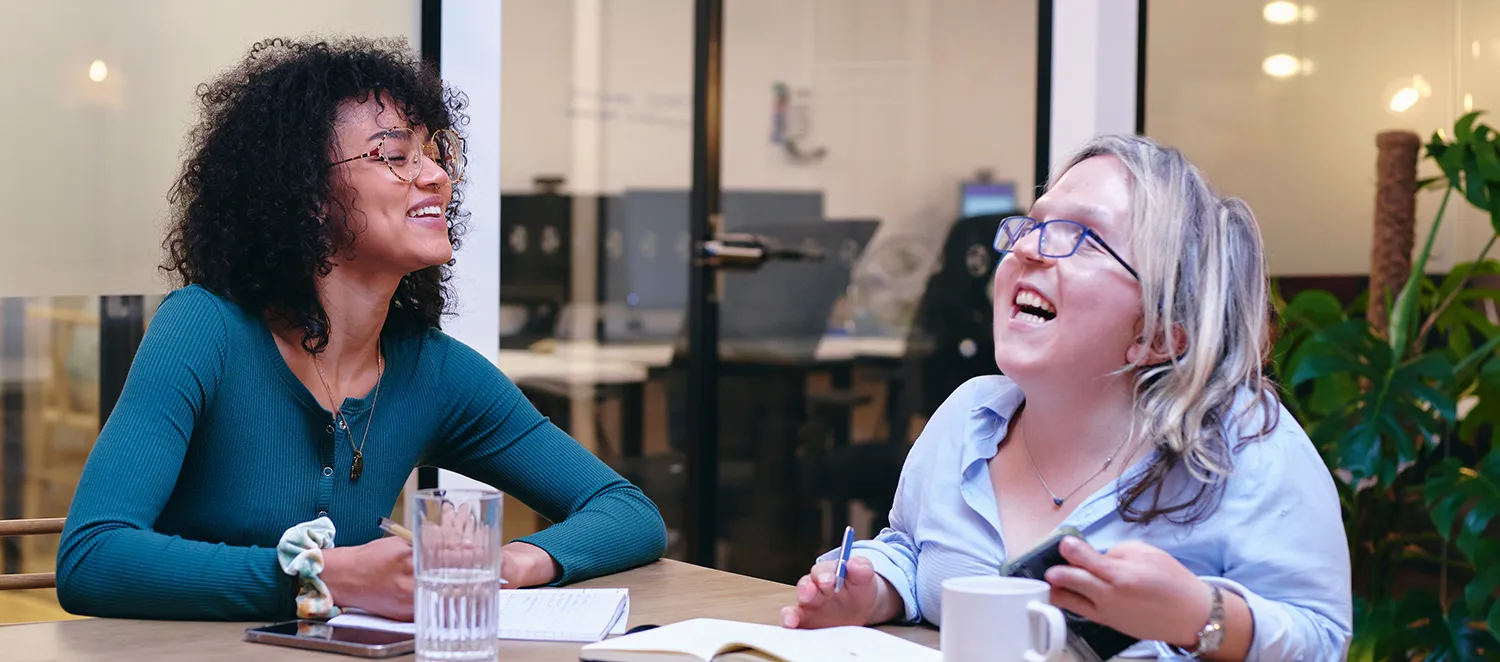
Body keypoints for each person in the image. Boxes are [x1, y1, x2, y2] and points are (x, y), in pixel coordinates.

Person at [55, 36, 667, 622]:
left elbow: (627, 512)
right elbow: (92, 557)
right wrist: (326, 576)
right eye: (395, 157)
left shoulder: (433, 370)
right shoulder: (203, 329)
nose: (434, 177)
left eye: (433, 153)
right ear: (307, 194)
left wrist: (506, 563)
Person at [779, 135, 1351, 660]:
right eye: (1032, 225)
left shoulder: (1244, 441)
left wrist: (1201, 617)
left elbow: (1322, 641)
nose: (1027, 249)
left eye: (1081, 237)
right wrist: (871, 589)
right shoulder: (969, 415)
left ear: (1157, 332)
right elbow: (910, 551)